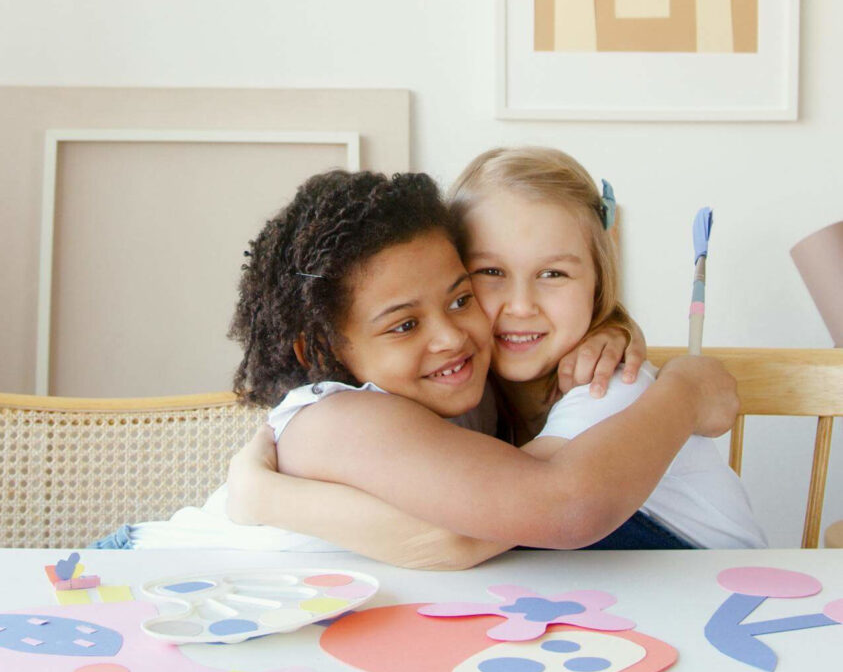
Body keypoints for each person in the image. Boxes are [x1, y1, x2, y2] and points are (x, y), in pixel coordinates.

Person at [99, 163, 741, 564]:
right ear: (320, 349)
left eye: (462, 297)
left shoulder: (480, 390)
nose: (453, 336)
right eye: (405, 324)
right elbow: (532, 513)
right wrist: (684, 393)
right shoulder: (339, 419)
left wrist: (617, 329)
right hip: (152, 585)